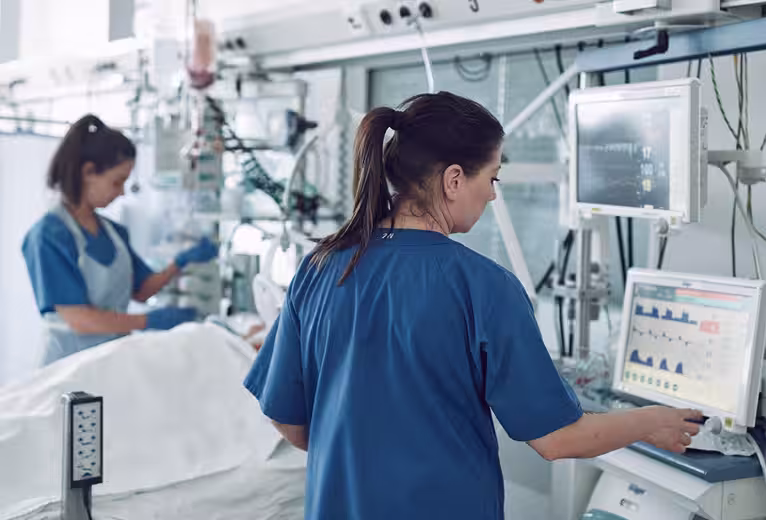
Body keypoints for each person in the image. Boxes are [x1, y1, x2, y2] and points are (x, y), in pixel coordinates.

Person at [243, 92, 702, 520]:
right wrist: (651, 420)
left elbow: (288, 417)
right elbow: (558, 438)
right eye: (493, 177)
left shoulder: (320, 267)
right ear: (454, 179)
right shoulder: (484, 287)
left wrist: (359, 461)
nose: (494, 194)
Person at [22, 114, 218, 366]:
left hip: (109, 360)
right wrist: (148, 321)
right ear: (89, 172)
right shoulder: (49, 235)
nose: (122, 192)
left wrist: (180, 262)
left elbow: (142, 289)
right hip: (66, 367)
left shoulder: (113, 233)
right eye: (117, 182)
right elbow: (78, 318)